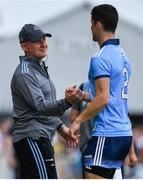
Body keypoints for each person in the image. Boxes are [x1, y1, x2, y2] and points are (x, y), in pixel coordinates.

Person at [10, 24, 85, 179]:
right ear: (24, 46)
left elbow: (43, 109)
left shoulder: (39, 68)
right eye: (37, 40)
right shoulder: (25, 73)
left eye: (44, 38)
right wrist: (67, 102)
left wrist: (62, 128)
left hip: (39, 137)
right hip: (32, 138)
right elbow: (42, 107)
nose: (44, 43)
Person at [69, 4, 133, 179]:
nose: (90, 28)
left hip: (107, 134)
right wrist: (83, 96)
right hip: (124, 135)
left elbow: (103, 99)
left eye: (91, 24)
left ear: (97, 24)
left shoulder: (101, 57)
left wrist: (77, 121)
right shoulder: (123, 56)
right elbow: (111, 96)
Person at [70, 81, 92, 178]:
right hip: (93, 144)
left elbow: (73, 117)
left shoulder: (84, 87)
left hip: (88, 145)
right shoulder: (83, 87)